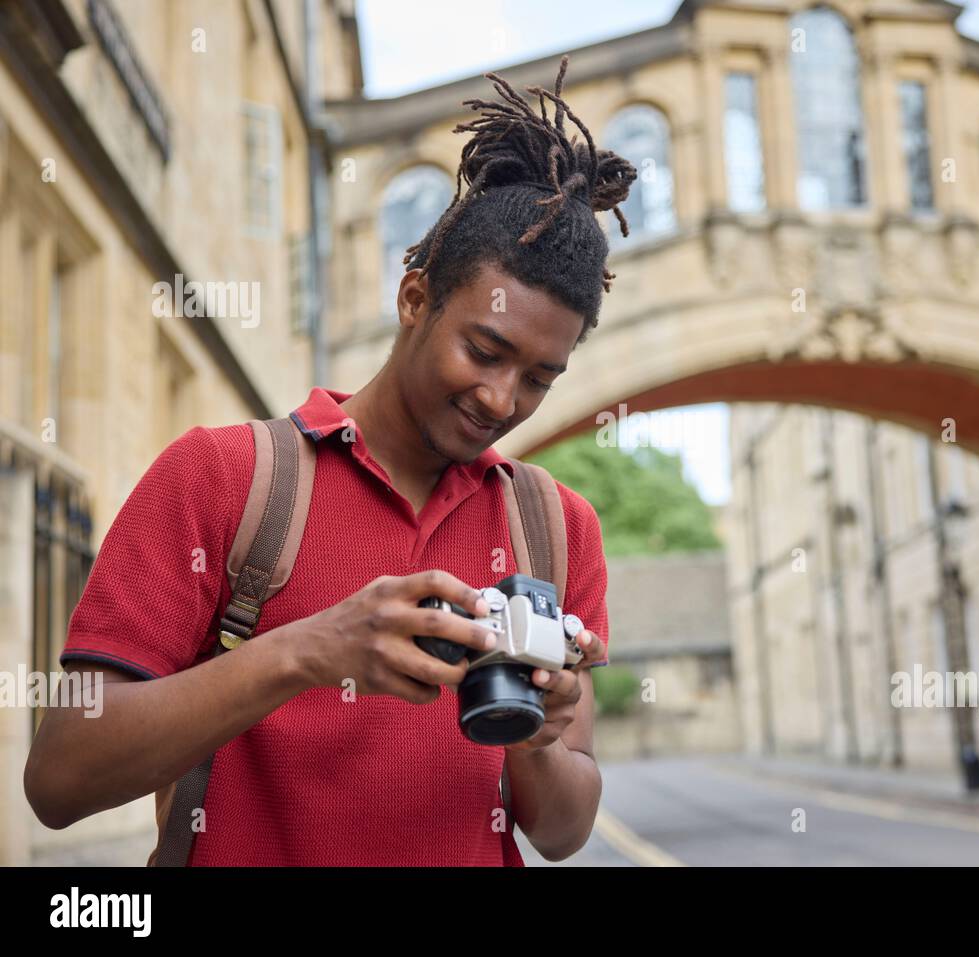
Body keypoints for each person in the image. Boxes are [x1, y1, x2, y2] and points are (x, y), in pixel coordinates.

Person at [23, 54, 636, 866]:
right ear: (413, 296)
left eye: (539, 378)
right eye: (484, 350)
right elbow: (60, 778)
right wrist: (311, 649)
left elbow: (562, 833)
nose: (501, 398)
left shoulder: (556, 528)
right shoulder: (223, 476)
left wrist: (529, 729)